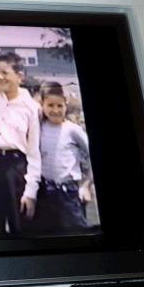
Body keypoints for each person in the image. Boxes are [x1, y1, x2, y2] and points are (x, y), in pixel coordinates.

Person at [0, 51, 41, 234]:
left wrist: (31, 191)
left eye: (5, 73)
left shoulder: (31, 108)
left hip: (15, 168)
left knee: (20, 225)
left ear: (20, 76)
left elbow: (34, 152)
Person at [29, 81, 92, 235]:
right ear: (42, 105)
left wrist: (86, 185)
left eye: (59, 106)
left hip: (68, 193)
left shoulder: (73, 130)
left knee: (76, 234)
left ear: (66, 105)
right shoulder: (38, 128)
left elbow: (91, 157)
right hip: (44, 192)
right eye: (50, 105)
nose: (55, 110)